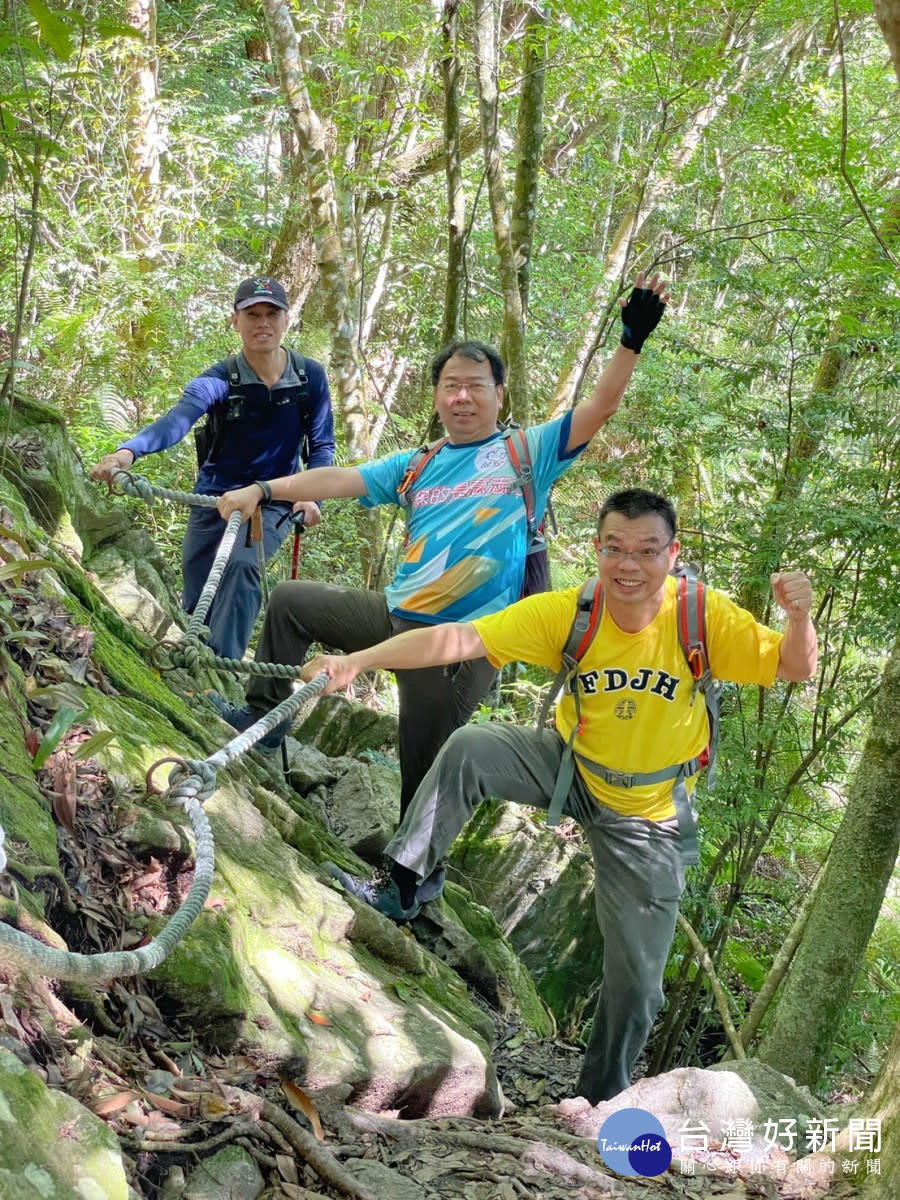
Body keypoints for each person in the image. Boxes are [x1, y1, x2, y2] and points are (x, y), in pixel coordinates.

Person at [298, 488, 818, 1103]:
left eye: (647, 551)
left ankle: (597, 1100)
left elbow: (795, 666)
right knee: (471, 746)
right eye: (615, 549)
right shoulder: (572, 612)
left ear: (672, 555)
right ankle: (403, 884)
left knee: (639, 983)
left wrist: (800, 617)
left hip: (649, 815)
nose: (629, 565)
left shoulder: (701, 617)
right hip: (569, 768)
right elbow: (455, 640)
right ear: (597, 550)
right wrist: (357, 661)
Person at [213, 274, 668, 841]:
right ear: (436, 397)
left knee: (422, 766)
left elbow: (599, 408)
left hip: (463, 643)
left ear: (499, 394)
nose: (462, 397)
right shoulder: (417, 464)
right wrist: (264, 488)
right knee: (289, 602)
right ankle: (264, 721)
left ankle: (410, 890)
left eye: (475, 385)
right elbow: (339, 478)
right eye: (451, 385)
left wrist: (630, 342)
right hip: (395, 618)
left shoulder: (528, 453)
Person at [90, 277, 335, 660]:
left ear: (288, 320)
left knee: (240, 567)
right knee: (197, 596)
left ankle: (221, 672)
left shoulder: (310, 378)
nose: (263, 323)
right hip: (213, 497)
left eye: (272, 313)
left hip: (273, 498)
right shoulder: (220, 379)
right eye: (252, 314)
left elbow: (321, 445)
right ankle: (194, 661)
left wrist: (311, 495)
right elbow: (178, 420)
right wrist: (127, 453)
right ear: (235, 321)